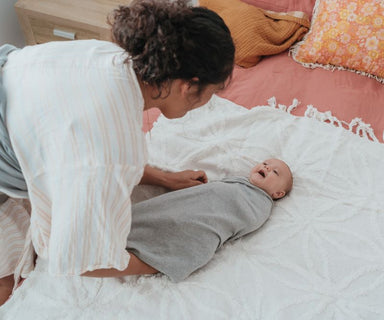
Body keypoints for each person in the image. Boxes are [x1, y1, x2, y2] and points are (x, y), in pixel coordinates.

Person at [0, 0, 234, 306]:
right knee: (7, 281)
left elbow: (80, 144)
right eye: (212, 93)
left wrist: (160, 176)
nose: (209, 102)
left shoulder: (106, 57)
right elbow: (80, 258)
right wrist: (161, 259)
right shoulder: (110, 151)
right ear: (188, 87)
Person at [83, 159, 293, 281]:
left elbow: (239, 221)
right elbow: (208, 195)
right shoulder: (237, 182)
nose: (266, 167)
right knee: (151, 217)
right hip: (186, 209)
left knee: (158, 256)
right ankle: (98, 238)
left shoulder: (261, 205)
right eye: (265, 163)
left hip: (202, 229)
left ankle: (90, 264)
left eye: (275, 172)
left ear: (278, 194)